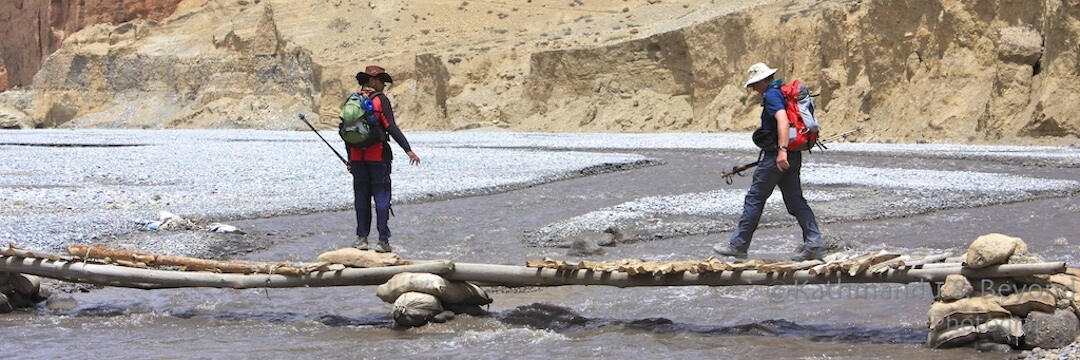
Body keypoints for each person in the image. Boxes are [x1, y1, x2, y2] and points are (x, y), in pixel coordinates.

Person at [713, 62, 825, 261]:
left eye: (754, 84)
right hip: (793, 154)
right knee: (795, 201)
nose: (754, 89)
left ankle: (738, 245)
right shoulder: (781, 93)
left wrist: (781, 151)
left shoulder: (772, 95)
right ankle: (814, 244)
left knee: (754, 198)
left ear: (763, 81)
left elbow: (783, 121)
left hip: (777, 156)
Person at [347, 65, 421, 253]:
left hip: (357, 158)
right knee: (381, 197)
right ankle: (382, 241)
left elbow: (347, 133)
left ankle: (362, 239)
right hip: (378, 156)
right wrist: (408, 150)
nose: (384, 86)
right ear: (373, 80)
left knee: (361, 198)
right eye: (382, 81)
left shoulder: (352, 100)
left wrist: (350, 159)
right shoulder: (380, 100)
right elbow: (391, 127)